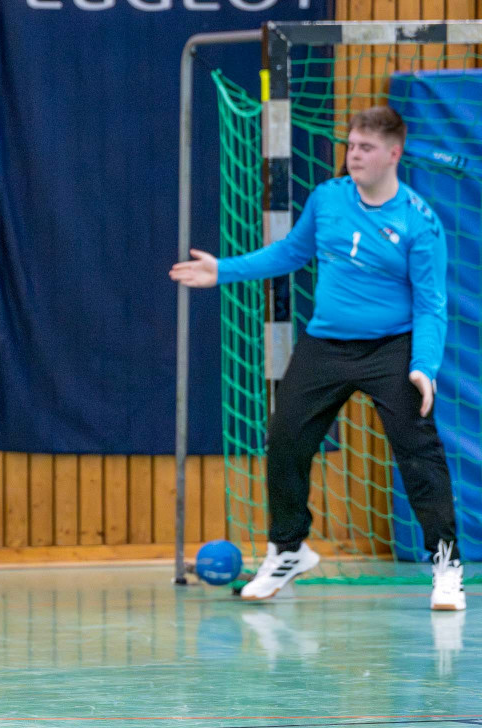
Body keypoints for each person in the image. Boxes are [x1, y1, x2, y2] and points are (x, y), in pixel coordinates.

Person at [171, 106, 462, 611]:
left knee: (419, 454)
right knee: (285, 440)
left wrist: (424, 366)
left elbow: (431, 305)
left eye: (366, 148)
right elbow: (290, 252)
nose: (354, 155)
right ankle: (288, 551)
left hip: (392, 348)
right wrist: (224, 271)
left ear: (394, 153)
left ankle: (446, 565)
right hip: (325, 344)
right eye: (351, 145)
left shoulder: (420, 223)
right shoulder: (328, 198)